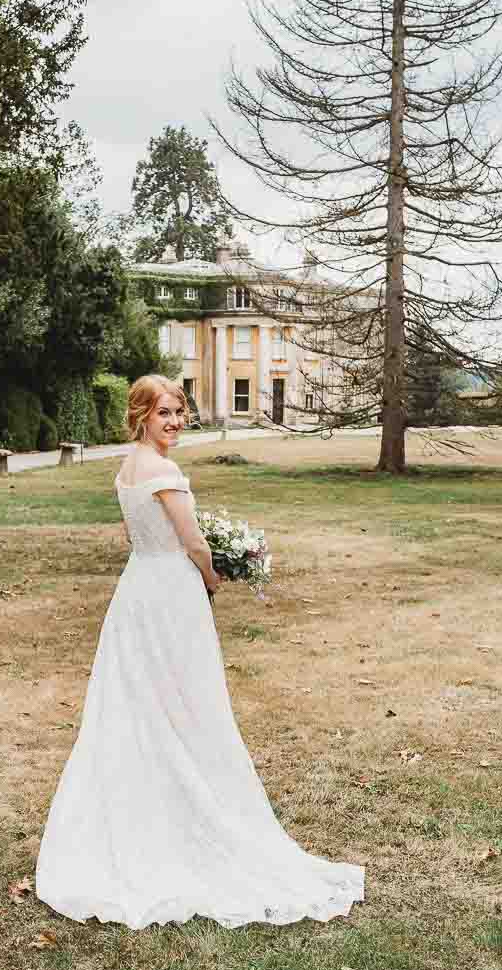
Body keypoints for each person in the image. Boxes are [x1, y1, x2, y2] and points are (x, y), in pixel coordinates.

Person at [35, 374, 364, 930]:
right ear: (141, 415)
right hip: (170, 595)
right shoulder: (163, 470)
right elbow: (192, 541)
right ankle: (188, 814)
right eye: (164, 413)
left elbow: (138, 535)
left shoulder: (127, 467)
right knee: (186, 704)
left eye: (180, 411)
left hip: (137, 589)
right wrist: (212, 576)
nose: (175, 422)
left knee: (141, 703)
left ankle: (148, 813)